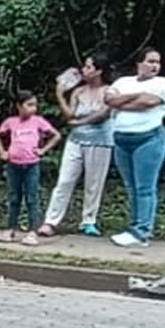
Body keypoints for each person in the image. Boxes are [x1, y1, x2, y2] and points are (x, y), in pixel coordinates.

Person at [37, 53, 114, 238]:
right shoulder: (78, 92)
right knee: (64, 180)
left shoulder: (109, 91)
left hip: (100, 141)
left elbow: (103, 113)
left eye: (89, 67)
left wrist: (81, 122)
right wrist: (59, 94)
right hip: (76, 140)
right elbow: (69, 115)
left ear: (99, 71)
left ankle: (89, 221)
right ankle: (51, 221)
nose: (84, 70)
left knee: (93, 183)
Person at [104, 46, 165, 248]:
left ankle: (142, 231)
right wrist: (136, 94)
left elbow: (148, 102)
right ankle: (134, 226)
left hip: (148, 139)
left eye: (157, 62)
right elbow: (108, 99)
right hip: (122, 140)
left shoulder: (162, 83)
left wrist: (120, 102)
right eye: (150, 61)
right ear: (139, 63)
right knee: (131, 186)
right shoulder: (123, 81)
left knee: (145, 187)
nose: (154, 66)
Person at [0, 90, 60, 246]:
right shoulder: (11, 122)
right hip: (13, 164)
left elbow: (55, 135)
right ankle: (10, 228)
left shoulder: (38, 121)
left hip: (31, 165)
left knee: (32, 198)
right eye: (29, 105)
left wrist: (43, 150)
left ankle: (32, 231)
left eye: (35, 105)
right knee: (14, 198)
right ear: (19, 106)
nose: (33, 108)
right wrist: (2, 152)